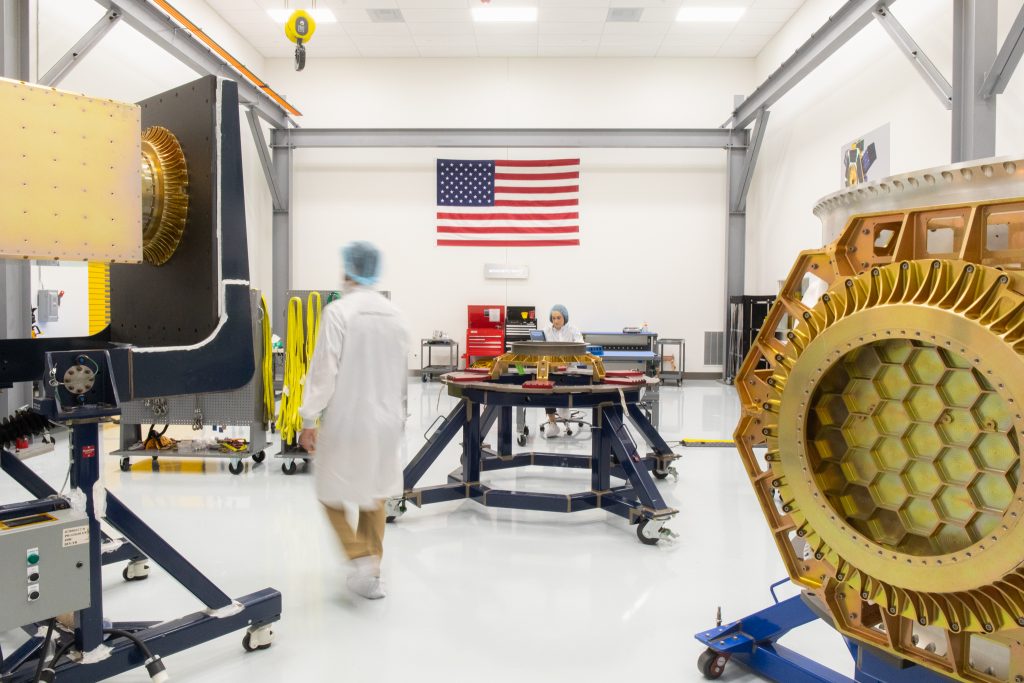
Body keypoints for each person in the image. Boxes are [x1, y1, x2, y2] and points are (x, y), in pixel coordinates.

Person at [298, 241, 409, 600]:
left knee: (330, 493)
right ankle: (372, 568)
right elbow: (403, 374)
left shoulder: (339, 312)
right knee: (374, 494)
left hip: (349, 418)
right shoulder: (396, 315)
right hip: (388, 420)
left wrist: (308, 418)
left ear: (348, 271)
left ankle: (359, 556)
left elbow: (323, 372)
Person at [541, 304, 583, 437]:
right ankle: (553, 424)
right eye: (553, 318)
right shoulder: (546, 331)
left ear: (564, 317)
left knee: (565, 384)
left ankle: (565, 406)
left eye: (558, 317)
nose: (556, 321)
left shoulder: (573, 329)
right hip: (552, 368)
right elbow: (540, 348)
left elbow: (580, 346)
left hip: (569, 369)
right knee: (546, 388)